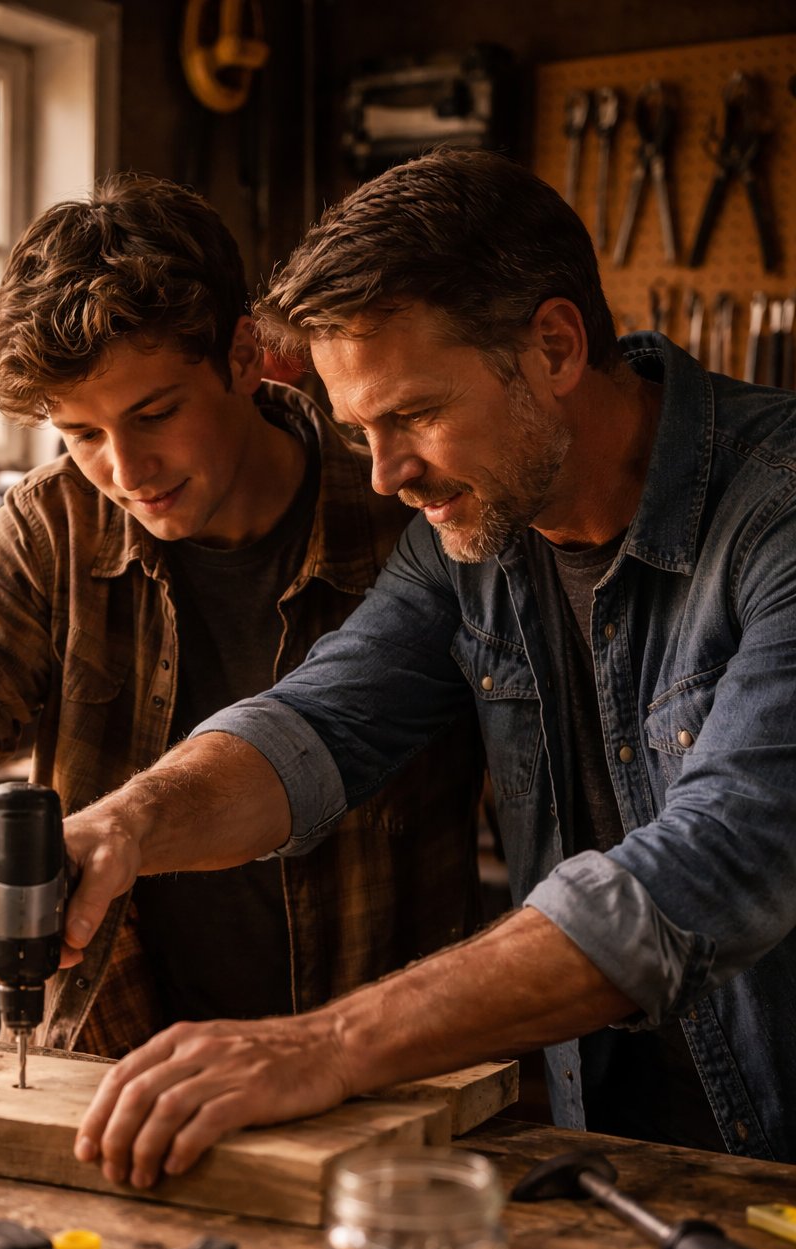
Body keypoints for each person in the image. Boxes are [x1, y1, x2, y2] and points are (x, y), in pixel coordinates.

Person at [58, 146, 796, 1189]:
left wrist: (322, 1044)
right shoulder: (475, 537)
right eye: (359, 430)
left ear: (551, 345)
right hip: (624, 1163)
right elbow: (315, 724)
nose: (385, 472)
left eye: (411, 415)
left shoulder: (780, 512)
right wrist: (123, 828)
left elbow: (720, 865)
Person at [0, 172, 483, 1059]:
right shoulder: (55, 520)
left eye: (154, 413)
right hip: (114, 1048)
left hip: (378, 1053)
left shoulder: (406, 508)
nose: (126, 467)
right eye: (81, 433)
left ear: (245, 355)